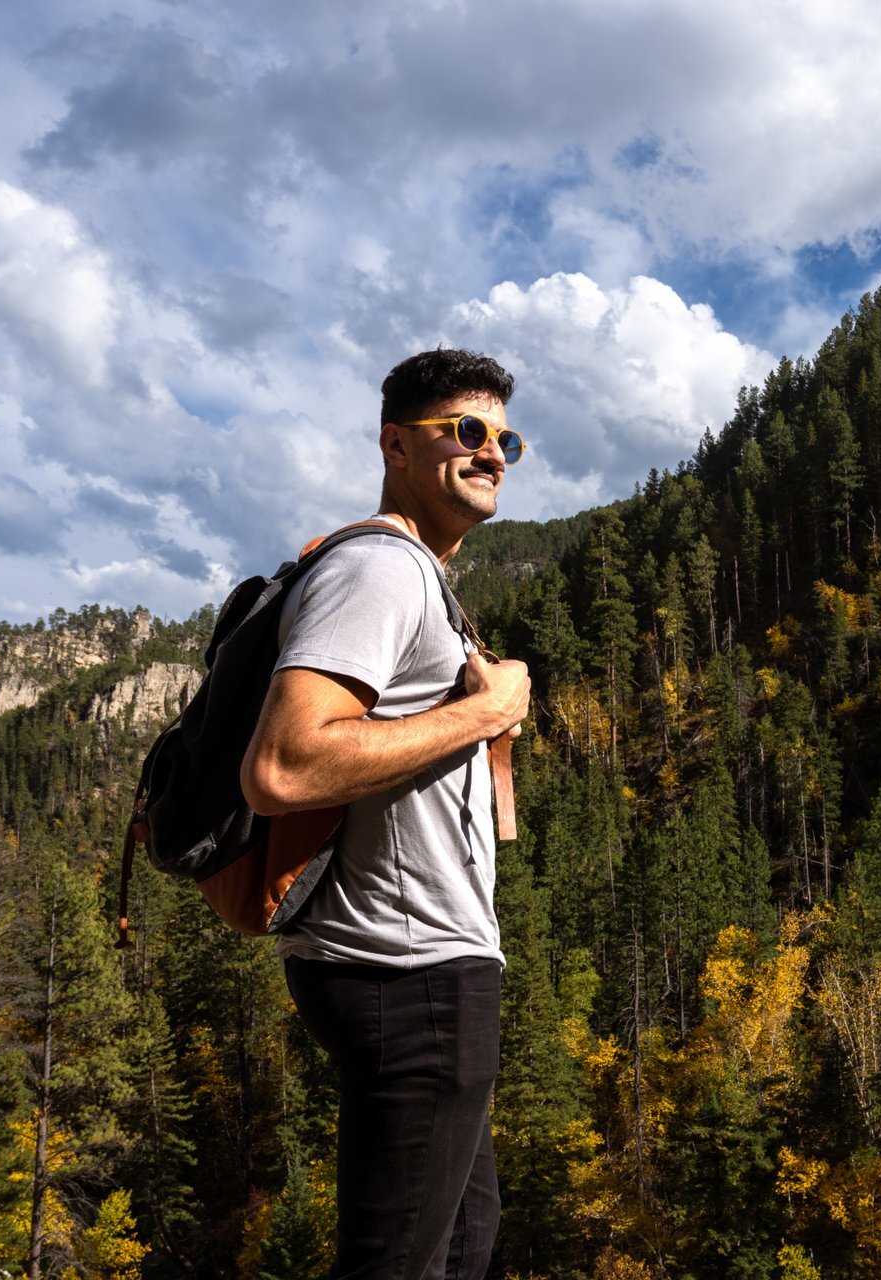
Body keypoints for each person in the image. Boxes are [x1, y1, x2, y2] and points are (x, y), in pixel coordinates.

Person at [240, 348, 532, 1279]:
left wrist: (486, 723)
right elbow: (283, 767)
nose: (492, 453)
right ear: (395, 445)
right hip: (404, 970)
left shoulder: (422, 580)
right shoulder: (381, 570)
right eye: (467, 431)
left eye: (506, 439)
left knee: (462, 1250)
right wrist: (486, 711)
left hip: (427, 963)